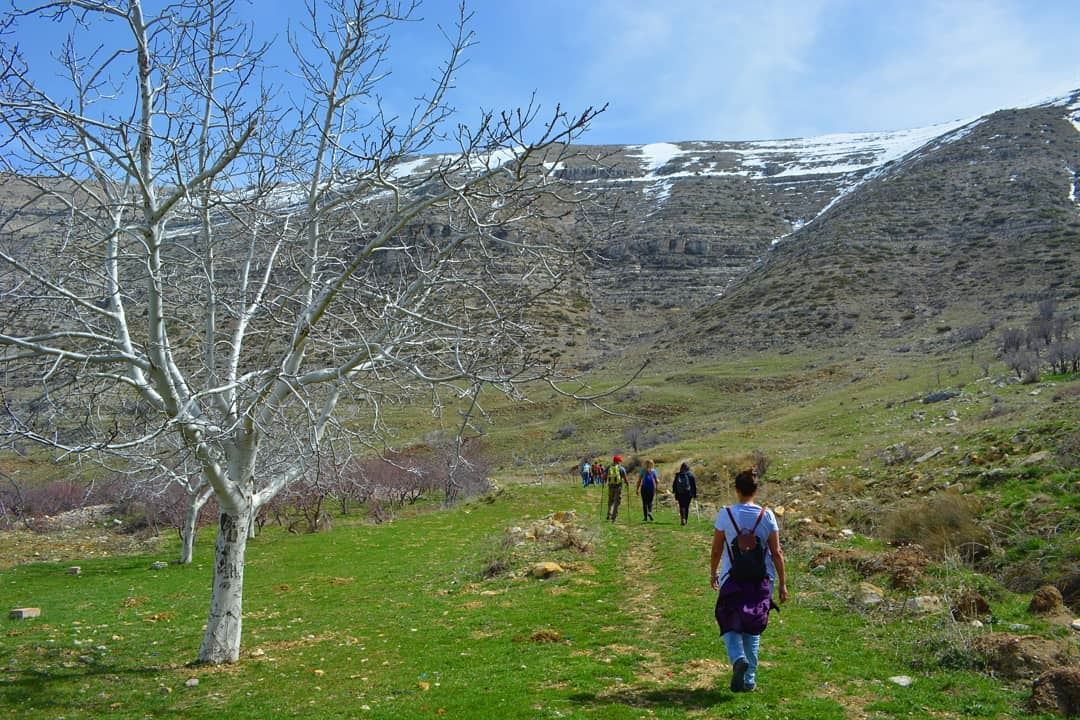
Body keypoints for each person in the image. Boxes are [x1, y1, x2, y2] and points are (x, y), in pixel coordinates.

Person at [709, 467, 788, 693]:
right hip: (761, 580)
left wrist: (713, 572)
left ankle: (737, 659)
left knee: (729, 619)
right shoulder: (767, 515)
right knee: (753, 627)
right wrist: (782, 583)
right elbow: (776, 552)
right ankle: (749, 680)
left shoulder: (726, 514)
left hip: (731, 578)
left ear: (736, 490)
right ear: (756, 489)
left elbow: (716, 550)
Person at [605, 454, 628, 521]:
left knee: (610, 501)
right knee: (617, 502)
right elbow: (625, 478)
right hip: (618, 487)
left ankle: (609, 514)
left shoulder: (609, 467)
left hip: (610, 486)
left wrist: (604, 482)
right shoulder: (621, 468)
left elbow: (604, 476)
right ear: (618, 461)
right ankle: (614, 517)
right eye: (619, 461)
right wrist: (627, 484)